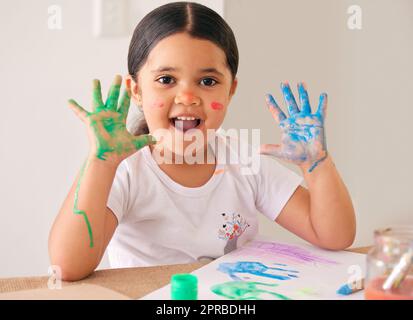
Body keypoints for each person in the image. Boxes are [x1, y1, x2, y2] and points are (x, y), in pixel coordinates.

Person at [49, 1, 355, 281]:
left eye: (208, 81)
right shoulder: (126, 169)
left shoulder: (243, 159)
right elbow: (68, 266)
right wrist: (101, 165)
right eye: (166, 79)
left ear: (231, 90)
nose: (187, 97)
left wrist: (317, 165)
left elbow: (334, 236)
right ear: (137, 90)